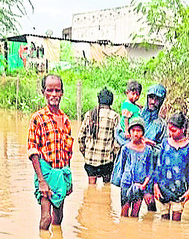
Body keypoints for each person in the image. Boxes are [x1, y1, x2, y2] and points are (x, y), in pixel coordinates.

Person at [27, 74, 74, 230]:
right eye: (50, 90)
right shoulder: (38, 118)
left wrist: (69, 179)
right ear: (43, 92)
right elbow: (33, 151)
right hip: (45, 173)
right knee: (46, 217)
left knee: (59, 217)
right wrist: (41, 181)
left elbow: (68, 153)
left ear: (62, 93)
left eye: (57, 91)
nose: (54, 95)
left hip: (61, 174)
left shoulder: (66, 120)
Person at [115, 84, 169, 212]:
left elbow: (164, 149)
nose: (153, 102)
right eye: (151, 97)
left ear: (161, 101)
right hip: (130, 167)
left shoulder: (161, 125)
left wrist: (149, 147)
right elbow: (119, 132)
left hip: (148, 169)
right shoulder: (135, 113)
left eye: (157, 99)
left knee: (150, 203)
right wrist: (134, 142)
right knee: (126, 204)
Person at [153, 113, 189, 221]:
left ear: (182, 129)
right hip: (163, 188)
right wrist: (155, 186)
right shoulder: (164, 143)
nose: (171, 133)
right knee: (164, 222)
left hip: (180, 190)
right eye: (169, 130)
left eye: (174, 130)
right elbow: (158, 165)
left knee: (177, 222)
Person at [111, 117, 155, 217]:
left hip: (140, 185)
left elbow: (150, 170)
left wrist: (144, 185)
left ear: (143, 133)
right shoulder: (125, 148)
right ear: (129, 132)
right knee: (124, 212)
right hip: (126, 184)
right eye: (133, 130)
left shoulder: (148, 150)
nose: (135, 133)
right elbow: (121, 167)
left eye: (138, 131)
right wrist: (119, 182)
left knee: (135, 214)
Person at [78, 87, 120, 185]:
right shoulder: (114, 116)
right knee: (107, 187)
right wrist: (114, 156)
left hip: (90, 160)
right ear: (111, 102)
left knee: (91, 186)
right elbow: (117, 141)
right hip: (106, 160)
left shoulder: (89, 114)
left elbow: (80, 137)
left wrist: (85, 153)